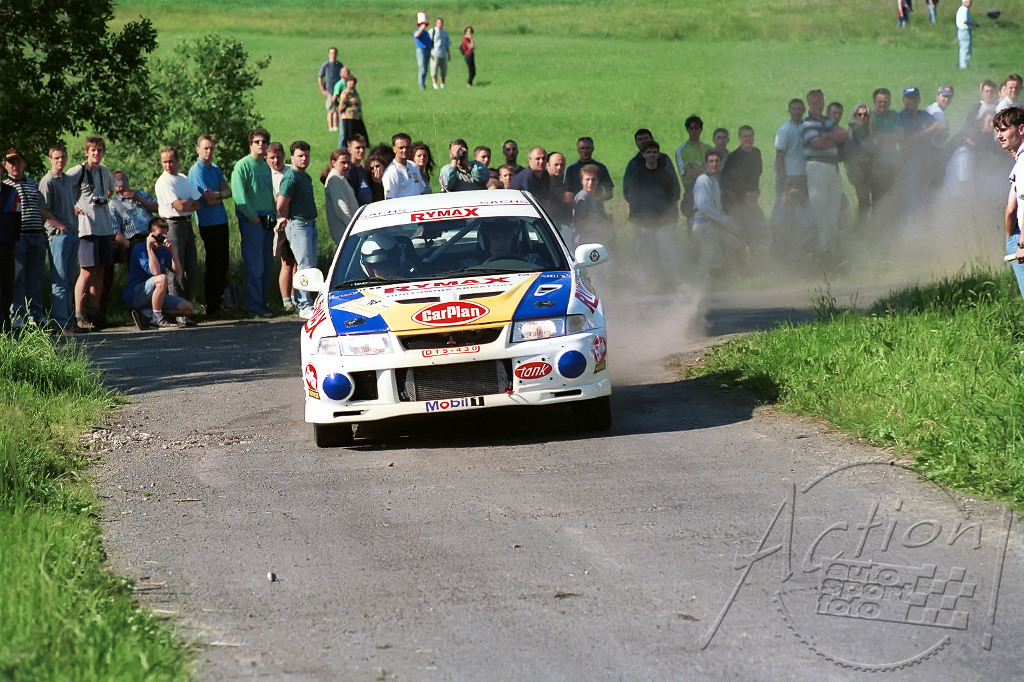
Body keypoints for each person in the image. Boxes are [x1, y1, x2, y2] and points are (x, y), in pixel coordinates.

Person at [3, 149, 61, 328]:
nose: (15, 166)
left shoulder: (33, 184)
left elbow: (42, 207)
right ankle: (17, 314)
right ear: (5, 166)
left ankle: (36, 314)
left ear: (24, 164)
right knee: (17, 277)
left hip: (36, 234)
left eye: (18, 162)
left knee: (35, 277)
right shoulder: (5, 187)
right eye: (11, 163)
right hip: (19, 236)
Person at [67, 136, 116, 331]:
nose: (96, 154)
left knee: (100, 269)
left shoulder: (104, 171)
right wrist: (74, 205)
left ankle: (96, 313)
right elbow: (63, 187)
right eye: (93, 150)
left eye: (100, 150)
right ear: (87, 152)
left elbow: (110, 190)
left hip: (104, 226)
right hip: (86, 227)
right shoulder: (78, 171)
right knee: (87, 270)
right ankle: (79, 314)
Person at [623, 140, 680, 292]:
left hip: (664, 222)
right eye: (648, 152)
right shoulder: (637, 176)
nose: (652, 155)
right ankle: (646, 286)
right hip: (644, 223)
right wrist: (636, 223)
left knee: (668, 254)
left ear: (658, 154)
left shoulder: (666, 175)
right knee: (645, 256)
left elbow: (673, 198)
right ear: (643, 155)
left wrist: (673, 220)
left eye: (654, 152)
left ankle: (673, 284)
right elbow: (633, 201)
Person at [230, 128, 276, 318]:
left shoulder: (265, 166)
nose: (261, 145)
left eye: (264, 142)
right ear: (250, 144)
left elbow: (269, 193)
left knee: (267, 263)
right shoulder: (242, 166)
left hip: (267, 218)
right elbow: (239, 195)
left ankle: (263, 302)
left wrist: (273, 214)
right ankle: (253, 304)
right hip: (252, 220)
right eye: (257, 141)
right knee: (255, 264)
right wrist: (252, 217)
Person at [187, 135, 232, 318]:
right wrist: (219, 195)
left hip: (221, 220)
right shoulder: (196, 171)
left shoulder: (215, 169)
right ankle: (212, 306)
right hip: (208, 222)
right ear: (198, 149)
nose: (209, 151)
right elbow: (207, 200)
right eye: (205, 148)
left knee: (223, 263)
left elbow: (228, 191)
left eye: (211, 148)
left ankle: (220, 302)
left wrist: (217, 194)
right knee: (214, 263)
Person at [123, 217, 194, 329]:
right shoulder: (139, 249)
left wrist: (173, 252)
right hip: (136, 294)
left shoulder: (163, 249)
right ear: (150, 234)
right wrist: (150, 248)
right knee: (162, 278)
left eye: (164, 236)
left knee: (187, 308)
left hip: (155, 295)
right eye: (158, 236)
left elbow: (178, 271)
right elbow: (155, 272)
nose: (160, 239)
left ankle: (147, 314)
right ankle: (156, 318)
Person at [154, 147, 200, 321]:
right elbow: (179, 206)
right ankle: (177, 311)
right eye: (164, 162)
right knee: (175, 268)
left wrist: (186, 204)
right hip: (172, 225)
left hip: (187, 223)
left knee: (191, 267)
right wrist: (187, 203)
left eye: (171, 161)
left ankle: (186, 307)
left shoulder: (182, 178)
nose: (168, 165)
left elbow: (197, 203)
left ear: (178, 160)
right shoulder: (164, 182)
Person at [801, 89, 848, 256]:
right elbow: (817, 144)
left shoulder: (828, 120)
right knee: (820, 210)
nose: (817, 106)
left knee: (833, 210)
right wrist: (832, 137)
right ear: (809, 104)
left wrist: (827, 137)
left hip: (833, 168)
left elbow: (844, 135)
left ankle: (832, 249)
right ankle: (822, 249)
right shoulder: (806, 123)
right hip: (817, 166)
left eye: (820, 102)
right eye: (814, 103)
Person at [39, 145, 79, 332]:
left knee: (70, 279)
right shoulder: (47, 181)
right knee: (60, 280)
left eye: (62, 157)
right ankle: (60, 322)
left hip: (73, 232)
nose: (60, 161)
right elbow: (43, 208)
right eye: (56, 158)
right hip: (57, 235)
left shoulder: (69, 180)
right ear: (50, 159)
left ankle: (69, 320)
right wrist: (59, 225)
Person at [277, 141, 319, 320]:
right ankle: (303, 305)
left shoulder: (305, 176)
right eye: (300, 155)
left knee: (310, 266)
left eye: (306, 155)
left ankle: (306, 301)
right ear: (292, 157)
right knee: (304, 266)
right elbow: (281, 205)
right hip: (299, 224)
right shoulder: (291, 177)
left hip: (310, 223)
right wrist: (290, 219)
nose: (304, 159)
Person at [691, 149, 741, 279]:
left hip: (713, 224)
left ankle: (728, 275)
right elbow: (703, 206)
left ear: (721, 163)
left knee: (734, 244)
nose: (714, 164)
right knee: (709, 256)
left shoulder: (714, 181)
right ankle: (698, 284)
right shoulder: (703, 180)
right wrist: (724, 220)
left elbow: (715, 208)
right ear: (706, 164)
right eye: (711, 161)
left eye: (717, 161)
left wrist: (726, 219)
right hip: (703, 224)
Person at [266, 141, 295, 312]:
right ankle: (286, 300)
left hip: (295, 220)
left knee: (298, 262)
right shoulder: (267, 175)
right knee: (287, 262)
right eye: (272, 158)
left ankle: (296, 297)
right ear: (266, 158)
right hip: (280, 222)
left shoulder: (291, 171)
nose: (276, 161)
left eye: (278, 157)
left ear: (284, 156)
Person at [720, 125, 763, 212]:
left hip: (752, 199)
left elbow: (757, 174)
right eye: (745, 137)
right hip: (736, 201)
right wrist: (737, 202)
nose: (748, 139)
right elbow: (724, 183)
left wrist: (755, 194)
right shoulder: (733, 157)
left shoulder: (757, 153)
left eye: (750, 136)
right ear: (739, 138)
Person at [844, 103, 875, 223]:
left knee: (865, 202)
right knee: (864, 202)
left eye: (865, 115)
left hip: (863, 171)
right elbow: (869, 146)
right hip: (858, 172)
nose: (862, 117)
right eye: (859, 114)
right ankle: (859, 229)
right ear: (855, 116)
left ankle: (862, 227)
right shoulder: (857, 129)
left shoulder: (863, 129)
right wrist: (880, 144)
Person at [773, 99, 807, 202]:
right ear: (789, 111)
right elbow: (779, 155)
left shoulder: (806, 127)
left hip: (802, 174)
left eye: (799, 109)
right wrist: (783, 179)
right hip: (788, 175)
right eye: (793, 109)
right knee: (783, 204)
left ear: (804, 110)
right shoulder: (784, 129)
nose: (796, 112)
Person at [322, 148, 358, 246]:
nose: (346, 166)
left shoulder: (341, 177)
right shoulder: (335, 179)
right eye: (343, 162)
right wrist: (354, 228)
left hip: (348, 230)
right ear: (333, 163)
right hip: (345, 231)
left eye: (348, 163)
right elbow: (342, 209)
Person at [573, 164, 613, 249]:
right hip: (584, 243)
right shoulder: (583, 197)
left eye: (593, 179)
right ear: (582, 181)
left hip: (593, 240)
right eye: (587, 179)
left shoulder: (591, 197)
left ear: (598, 181)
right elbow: (578, 222)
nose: (590, 183)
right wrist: (597, 227)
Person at [0, 179, 19, 333]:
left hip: (7, 244)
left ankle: (6, 322)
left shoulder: (12, 192)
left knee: (7, 284)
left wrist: (13, 238)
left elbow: (17, 217)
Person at [382, 133, 426, 199]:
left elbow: (421, 190)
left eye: (407, 147)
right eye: (401, 148)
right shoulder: (391, 172)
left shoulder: (414, 166)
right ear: (394, 149)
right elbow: (390, 199)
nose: (404, 150)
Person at [332, 75, 368, 151]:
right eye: (350, 82)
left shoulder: (354, 92)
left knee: (359, 134)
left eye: (353, 82)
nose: (352, 83)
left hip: (356, 116)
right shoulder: (346, 92)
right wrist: (340, 109)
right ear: (347, 83)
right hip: (348, 117)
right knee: (349, 135)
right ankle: (348, 149)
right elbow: (342, 104)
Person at [545, 151, 575, 242]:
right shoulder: (543, 184)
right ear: (548, 165)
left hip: (567, 227)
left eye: (562, 165)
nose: (559, 168)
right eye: (556, 164)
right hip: (550, 229)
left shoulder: (565, 183)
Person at [317, 47, 344, 132]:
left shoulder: (339, 65)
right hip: (329, 91)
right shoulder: (325, 65)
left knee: (337, 109)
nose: (333, 55)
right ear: (329, 54)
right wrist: (323, 90)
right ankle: (330, 127)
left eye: (335, 53)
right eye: (331, 53)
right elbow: (320, 77)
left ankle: (335, 126)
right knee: (330, 109)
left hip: (338, 91)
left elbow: (343, 76)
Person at [345, 135, 373, 205]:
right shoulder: (349, 171)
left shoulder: (361, 169)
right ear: (349, 150)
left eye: (363, 147)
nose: (361, 150)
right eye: (358, 148)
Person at [428, 17, 451, 90]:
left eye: (441, 23)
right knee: (434, 70)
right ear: (436, 23)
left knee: (443, 70)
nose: (440, 24)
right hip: (434, 53)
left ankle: (442, 84)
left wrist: (448, 53)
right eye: (438, 23)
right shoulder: (432, 31)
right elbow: (428, 42)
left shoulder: (444, 33)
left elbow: (447, 44)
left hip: (443, 53)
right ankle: (434, 84)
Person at [955, 1, 977, 70]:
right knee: (966, 48)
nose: (971, 3)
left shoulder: (961, 9)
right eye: (970, 1)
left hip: (961, 31)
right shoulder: (964, 10)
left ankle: (962, 63)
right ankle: (963, 65)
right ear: (965, 2)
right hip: (965, 31)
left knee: (963, 48)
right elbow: (965, 21)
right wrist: (973, 24)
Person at [413, 13, 432, 90]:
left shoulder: (426, 33)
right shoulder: (417, 31)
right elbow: (416, 35)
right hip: (421, 51)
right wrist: (421, 29)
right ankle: (421, 86)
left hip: (427, 51)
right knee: (422, 68)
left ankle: (423, 84)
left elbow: (429, 42)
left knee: (425, 69)